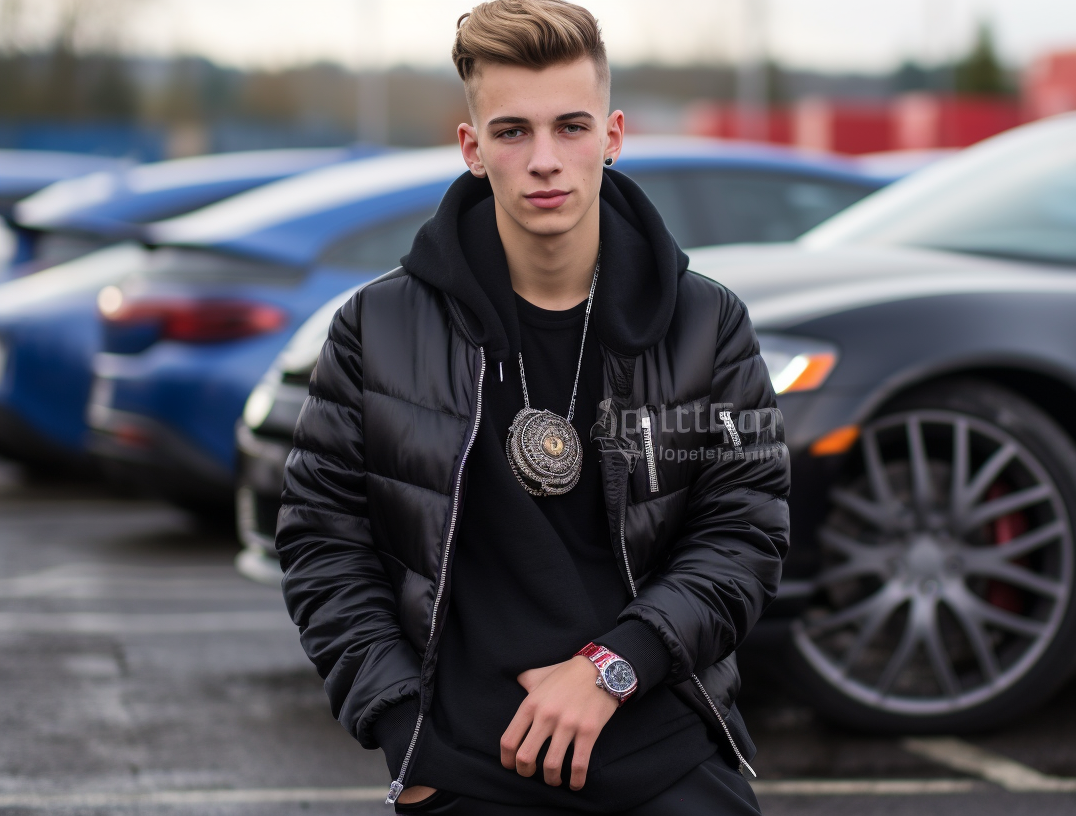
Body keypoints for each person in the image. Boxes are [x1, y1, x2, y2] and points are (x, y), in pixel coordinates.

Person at [274, 1, 789, 813]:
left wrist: (611, 668)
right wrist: (403, 726)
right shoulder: (378, 328)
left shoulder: (705, 323)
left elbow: (745, 533)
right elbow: (323, 543)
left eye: (571, 128)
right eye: (513, 132)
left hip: (661, 742)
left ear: (612, 138)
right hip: (466, 763)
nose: (545, 160)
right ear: (473, 149)